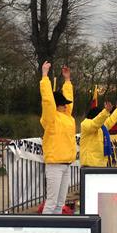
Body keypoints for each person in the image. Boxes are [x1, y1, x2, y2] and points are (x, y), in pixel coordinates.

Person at [40, 61, 76, 214]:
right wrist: (45, 76)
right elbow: (48, 100)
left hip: (66, 164)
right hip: (54, 165)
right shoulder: (51, 118)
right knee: (52, 201)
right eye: (63, 104)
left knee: (60, 203)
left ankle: (56, 229)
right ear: (57, 105)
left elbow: (69, 99)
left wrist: (67, 80)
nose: (66, 106)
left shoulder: (68, 117)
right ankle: (43, 230)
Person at [80, 99, 117, 167]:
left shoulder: (102, 126)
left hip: (101, 164)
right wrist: (105, 112)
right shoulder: (85, 124)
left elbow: (112, 119)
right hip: (89, 165)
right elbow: (95, 124)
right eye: (100, 115)